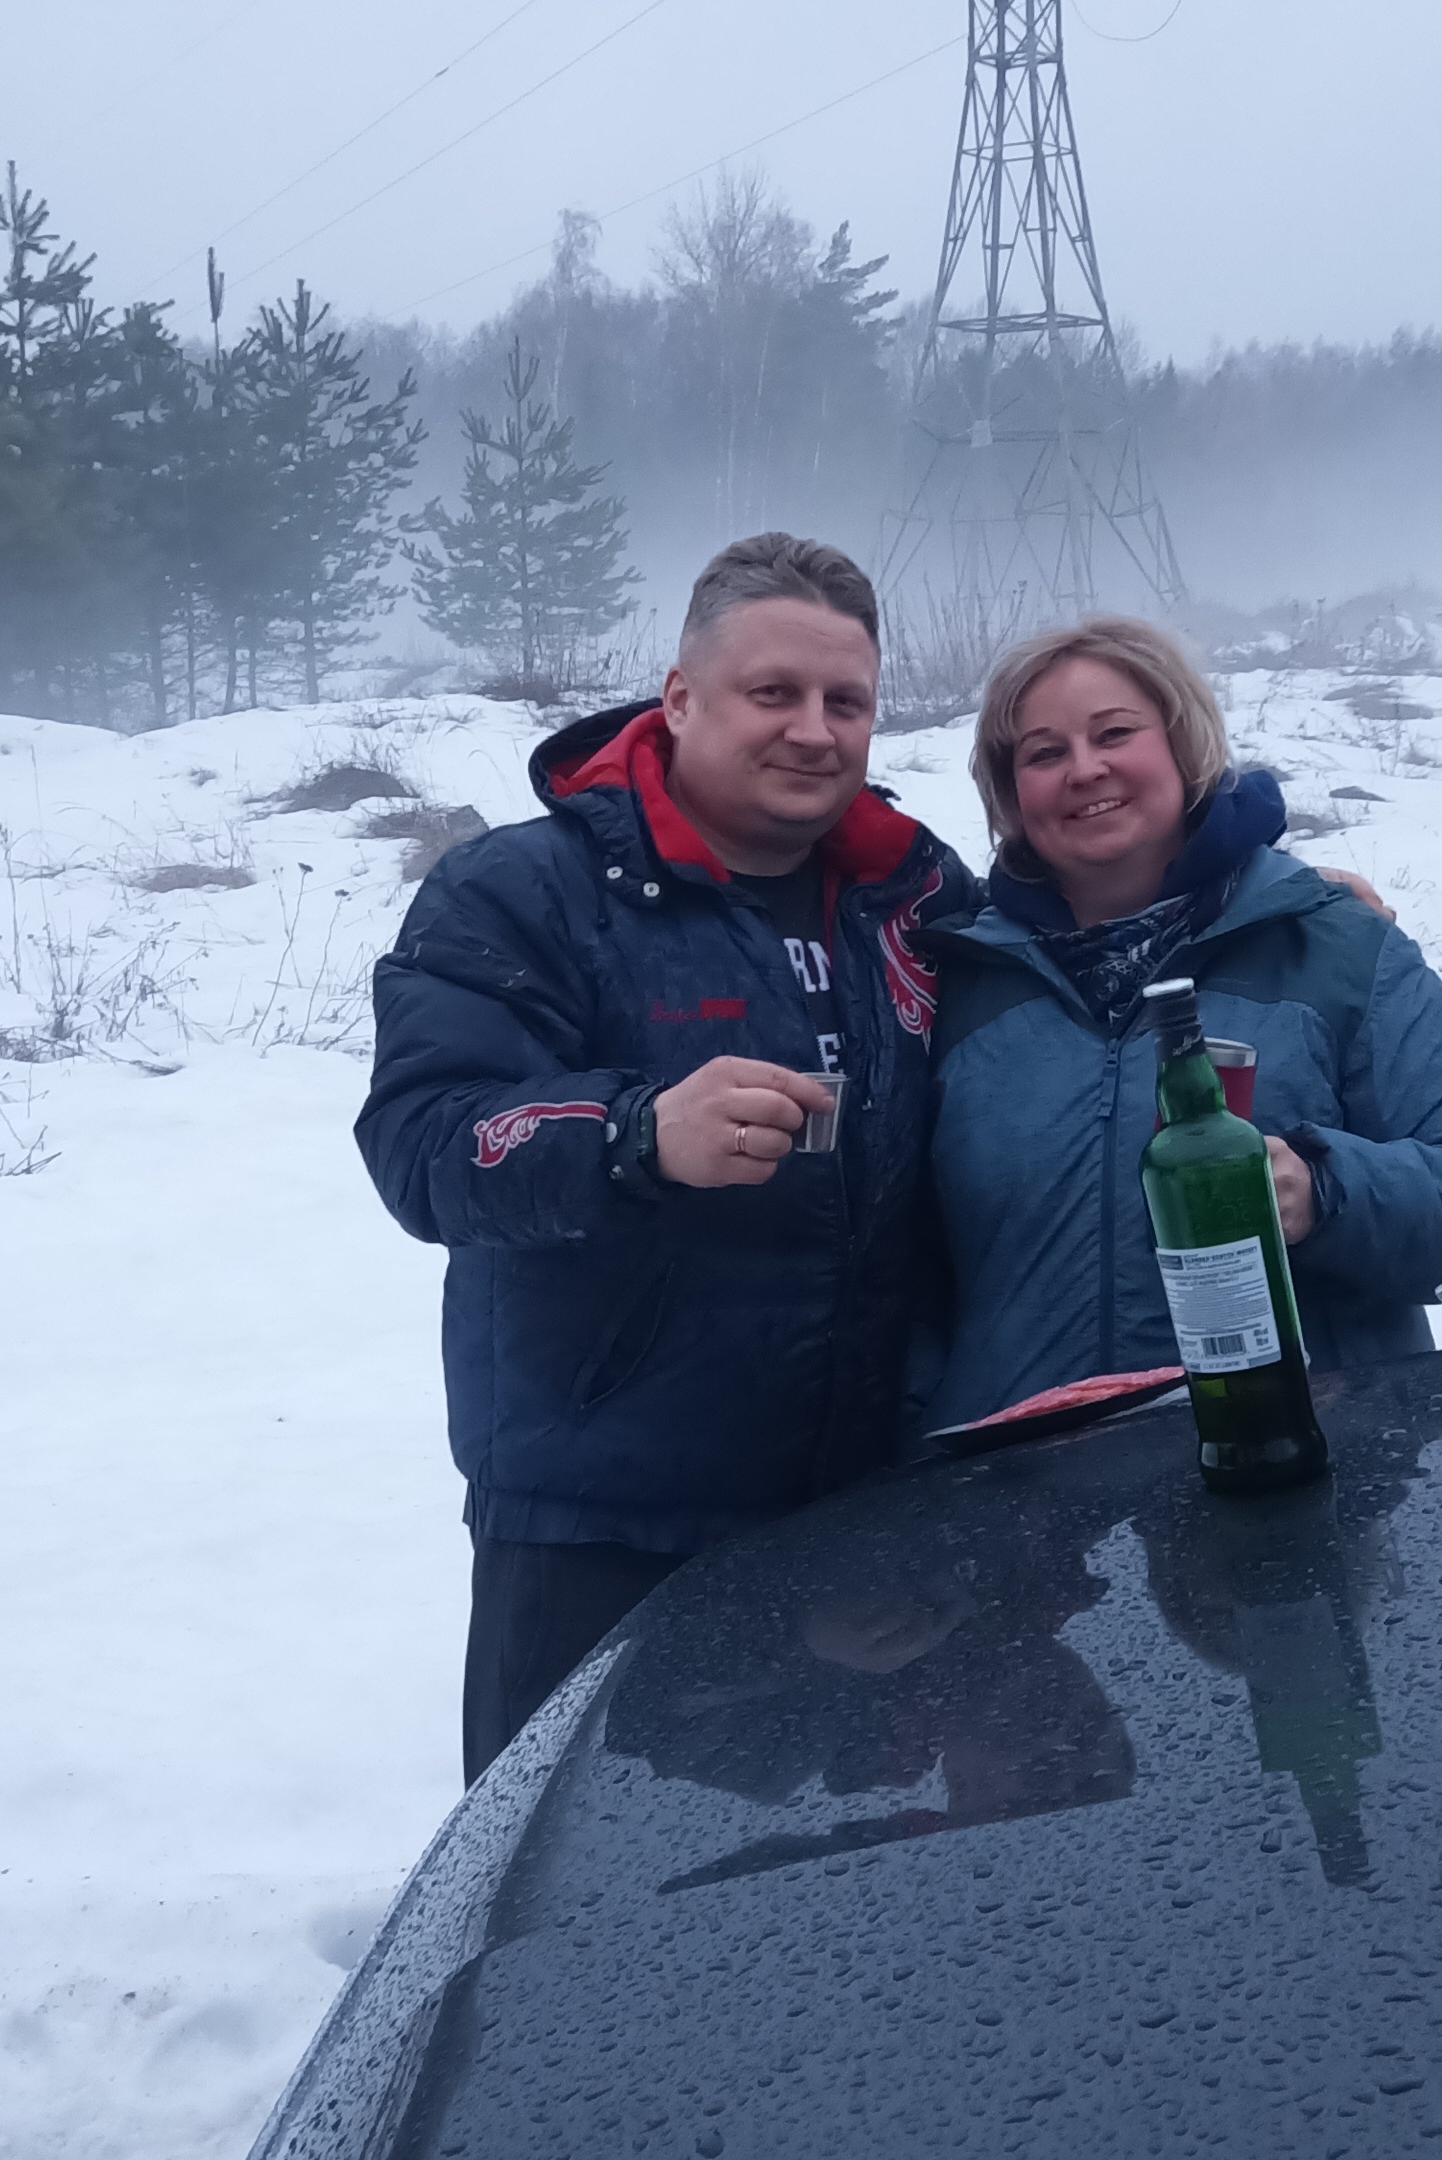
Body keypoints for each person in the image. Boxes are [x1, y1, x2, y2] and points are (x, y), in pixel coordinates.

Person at [355, 534, 974, 1781]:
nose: (814, 731)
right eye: (773, 693)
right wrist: (634, 1135)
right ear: (680, 698)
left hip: (865, 1514)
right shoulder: (522, 892)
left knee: (842, 1872)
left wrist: (1282, 905)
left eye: (846, 702)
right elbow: (423, 1142)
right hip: (602, 1531)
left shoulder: (912, 898)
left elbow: (1083, 972)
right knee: (580, 1887)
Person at [921, 617, 1442, 1426]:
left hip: (1309, 1456)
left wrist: (1324, 1192)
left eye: (1115, 733)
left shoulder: (1335, 947)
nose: (1084, 769)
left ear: (1183, 745)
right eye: (1044, 753)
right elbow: (894, 1272)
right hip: (1022, 1484)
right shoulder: (957, 983)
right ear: (1011, 791)